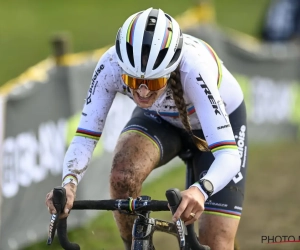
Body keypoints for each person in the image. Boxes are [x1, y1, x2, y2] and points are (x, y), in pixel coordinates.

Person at [45, 7, 247, 250]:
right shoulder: (111, 65)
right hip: (160, 118)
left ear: (170, 70)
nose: (142, 92)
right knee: (122, 176)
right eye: (133, 81)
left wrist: (201, 190)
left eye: (153, 82)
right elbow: (86, 135)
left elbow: (228, 155)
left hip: (215, 126)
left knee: (216, 243)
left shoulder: (194, 69)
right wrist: (69, 183)